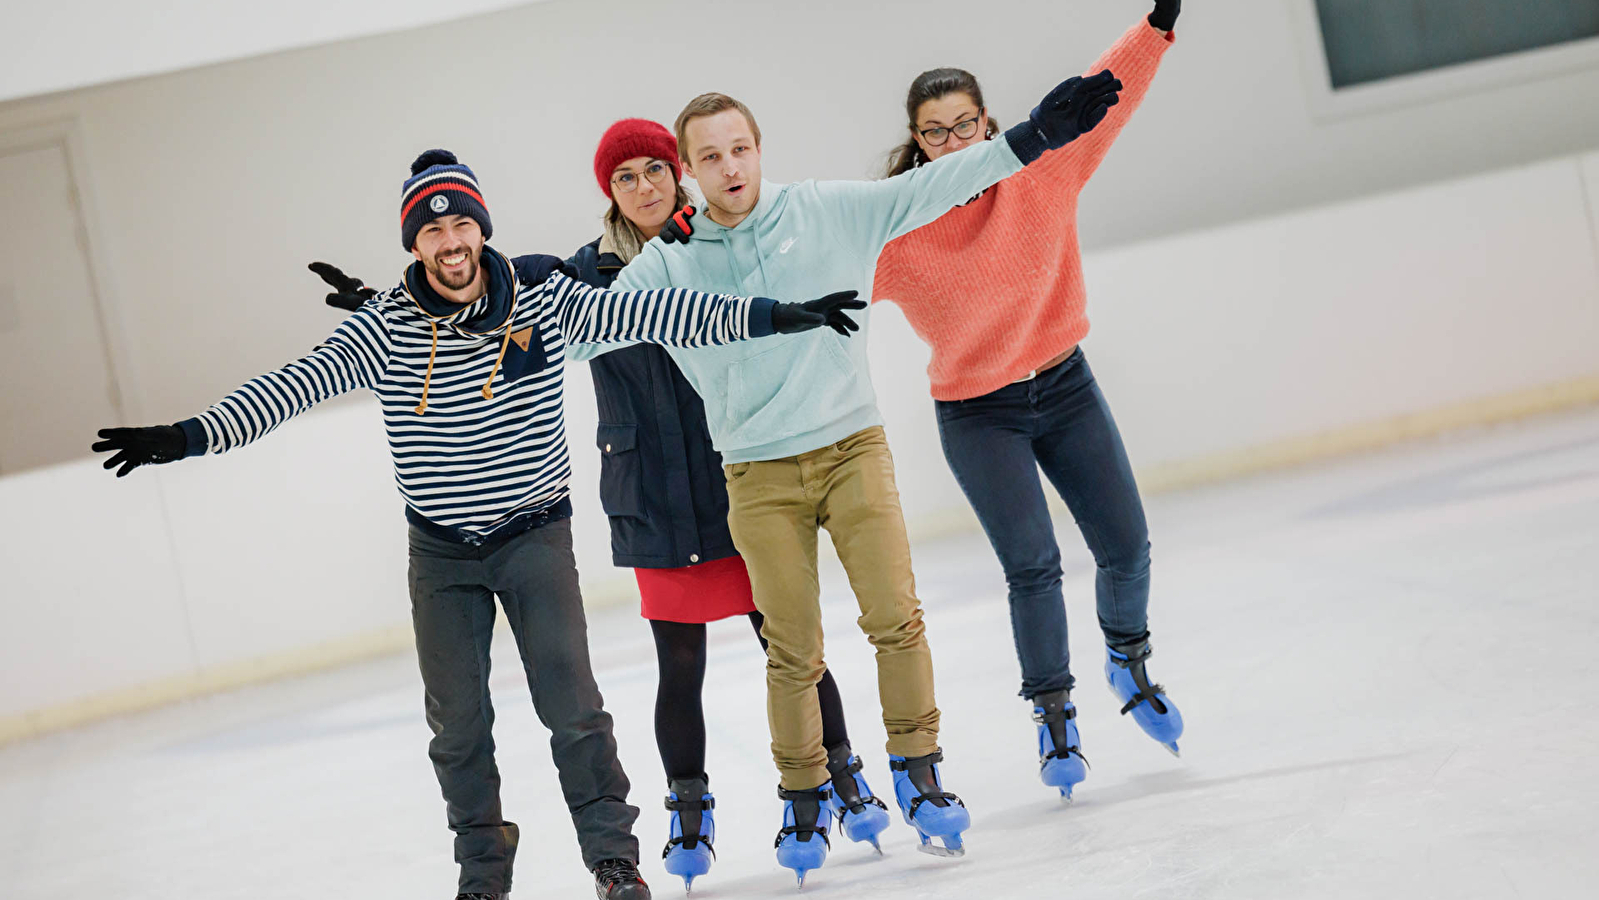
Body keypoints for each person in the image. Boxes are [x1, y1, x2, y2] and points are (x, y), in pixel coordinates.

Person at [91, 149, 862, 900]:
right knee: (457, 727)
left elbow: (655, 309)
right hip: (441, 553)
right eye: (431, 231)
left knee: (573, 711)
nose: (450, 242)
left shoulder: (543, 302)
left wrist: (773, 315)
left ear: (481, 231)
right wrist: (190, 436)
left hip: (534, 536)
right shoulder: (383, 328)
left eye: (461, 225)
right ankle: (483, 873)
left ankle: (613, 862)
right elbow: (292, 386)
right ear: (414, 243)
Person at [313, 119, 889, 894]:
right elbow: (489, 288)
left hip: (736, 474)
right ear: (608, 190)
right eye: (626, 177)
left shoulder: (720, 245)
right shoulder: (580, 274)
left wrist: (784, 311)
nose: (644, 187)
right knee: (676, 664)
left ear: (678, 173)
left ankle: (836, 774)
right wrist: (399, 304)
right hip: (650, 491)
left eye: (656, 170)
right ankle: (687, 811)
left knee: (787, 641)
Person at [583, 67, 1125, 883]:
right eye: (710, 157)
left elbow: (944, 178)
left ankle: (920, 770)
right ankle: (803, 795)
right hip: (757, 474)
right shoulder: (667, 266)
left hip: (850, 450)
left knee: (895, 618)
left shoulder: (826, 210)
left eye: (740, 149)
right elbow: (578, 330)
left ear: (760, 151)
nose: (730, 168)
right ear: (687, 170)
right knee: (791, 649)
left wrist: (1037, 136)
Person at [873, 0, 1186, 801]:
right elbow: (806, 256)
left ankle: (1128, 658)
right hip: (978, 413)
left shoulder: (1043, 169)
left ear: (989, 124)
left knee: (1127, 545)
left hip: (1064, 383)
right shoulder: (898, 232)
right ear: (916, 142)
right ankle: (1054, 719)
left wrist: (1157, 22)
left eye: (964, 125)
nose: (951, 142)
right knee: (1034, 568)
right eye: (933, 132)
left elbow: (1105, 90)